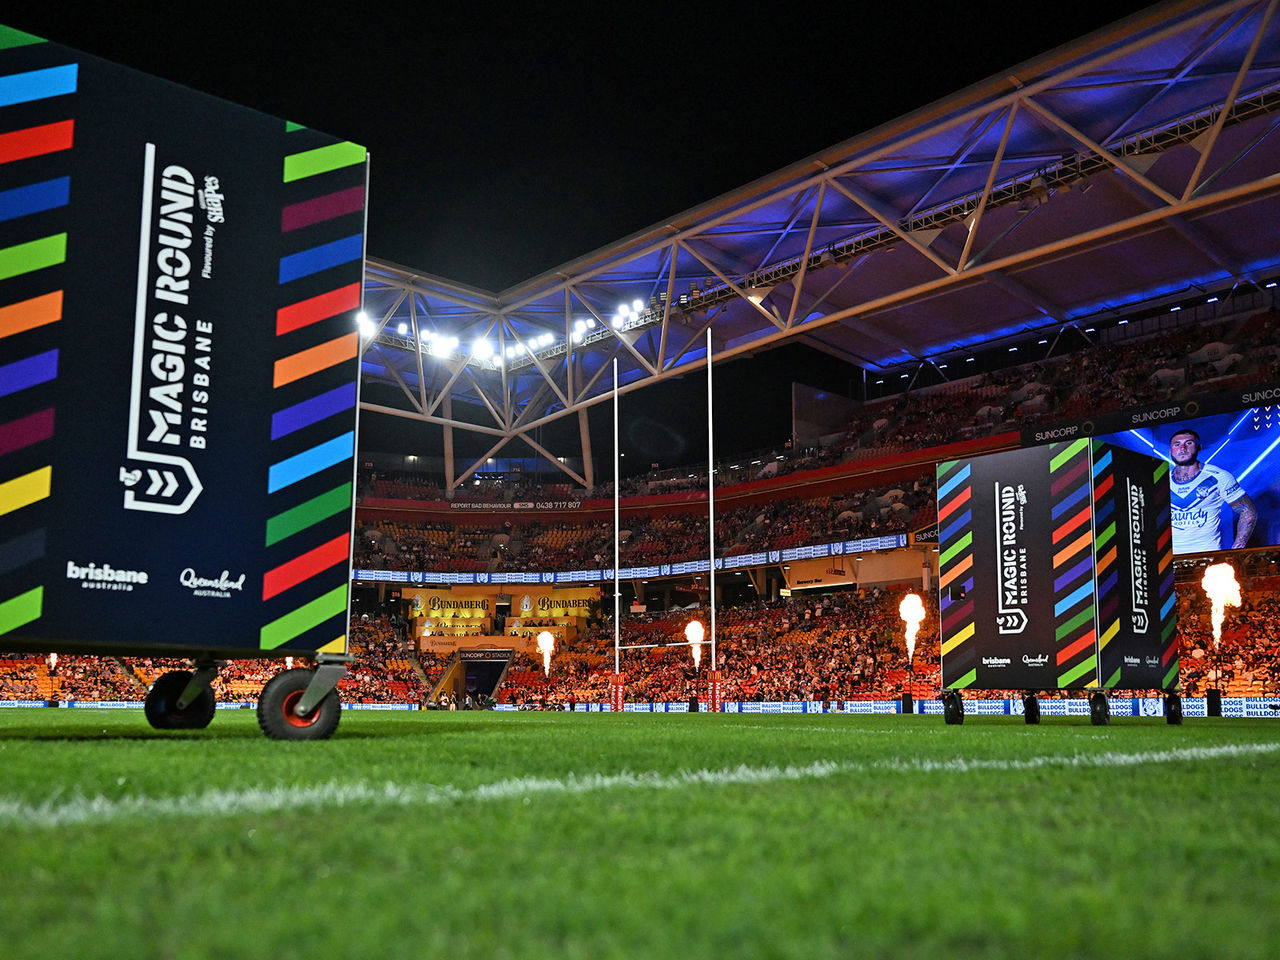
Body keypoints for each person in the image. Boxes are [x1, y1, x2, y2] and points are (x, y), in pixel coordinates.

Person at [1168, 428, 1256, 552]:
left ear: (1199, 447)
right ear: (1170, 451)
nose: (1182, 448)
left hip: (1208, 555)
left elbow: (1247, 511)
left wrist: (1238, 548)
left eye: (1188, 443)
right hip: (1169, 560)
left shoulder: (1218, 476)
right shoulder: (1160, 481)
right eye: (1177, 444)